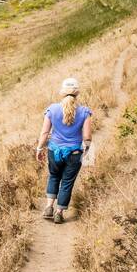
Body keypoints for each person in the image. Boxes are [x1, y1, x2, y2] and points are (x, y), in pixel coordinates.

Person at [33, 77, 93, 224]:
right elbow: (87, 136)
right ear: (77, 93)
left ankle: (48, 207)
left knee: (54, 176)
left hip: (54, 151)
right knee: (67, 182)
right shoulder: (85, 112)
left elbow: (45, 133)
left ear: (62, 92)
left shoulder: (52, 109)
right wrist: (88, 151)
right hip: (74, 153)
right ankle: (59, 212)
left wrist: (40, 148)